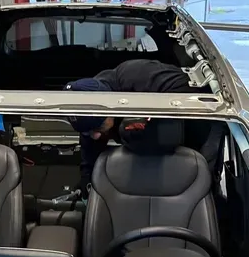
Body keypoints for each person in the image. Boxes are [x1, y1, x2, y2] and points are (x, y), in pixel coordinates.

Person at [65, 58, 218, 191]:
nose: (96, 135)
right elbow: (90, 141)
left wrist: (134, 132)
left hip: (203, 123)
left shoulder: (139, 76)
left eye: (98, 128)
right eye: (88, 131)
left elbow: (193, 109)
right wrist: (87, 176)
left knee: (202, 180)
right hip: (146, 133)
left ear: (110, 107)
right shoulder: (88, 99)